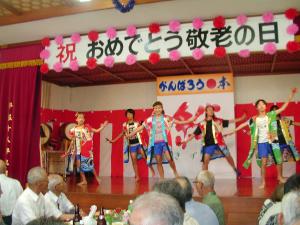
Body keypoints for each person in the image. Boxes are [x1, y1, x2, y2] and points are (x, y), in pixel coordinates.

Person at [226, 88, 297, 188]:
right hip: (261, 143)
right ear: (257, 108)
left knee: (278, 159)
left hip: (272, 141)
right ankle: (263, 182)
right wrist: (231, 131)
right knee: (263, 162)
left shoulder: (271, 115)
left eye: (263, 104)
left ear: (265, 106)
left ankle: (280, 177)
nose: (261, 105)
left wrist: (291, 96)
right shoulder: (254, 119)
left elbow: (283, 108)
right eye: (259, 104)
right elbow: (242, 125)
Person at [128, 101, 198, 179]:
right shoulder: (149, 120)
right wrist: (131, 134)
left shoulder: (166, 118)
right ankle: (162, 179)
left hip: (164, 142)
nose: (157, 109)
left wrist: (191, 120)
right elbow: (140, 128)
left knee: (170, 159)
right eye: (156, 108)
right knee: (159, 161)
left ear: (162, 109)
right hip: (155, 143)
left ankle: (175, 172)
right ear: (153, 109)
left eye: (159, 108)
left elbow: (180, 122)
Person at [182, 105, 245, 175]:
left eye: (212, 110)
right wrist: (185, 141)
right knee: (205, 161)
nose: (211, 111)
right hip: (209, 145)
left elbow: (230, 121)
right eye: (209, 110)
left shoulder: (218, 121)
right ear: (206, 112)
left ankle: (234, 168)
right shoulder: (202, 123)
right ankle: (205, 176)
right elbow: (194, 134)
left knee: (228, 156)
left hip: (220, 143)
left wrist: (241, 119)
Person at [106, 109, 155, 182]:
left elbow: (144, 126)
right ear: (126, 115)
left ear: (133, 115)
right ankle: (137, 176)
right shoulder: (125, 125)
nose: (129, 115)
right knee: (134, 161)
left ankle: (151, 169)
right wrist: (113, 140)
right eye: (128, 114)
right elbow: (122, 134)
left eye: (130, 114)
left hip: (139, 143)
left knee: (145, 156)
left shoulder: (137, 123)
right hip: (132, 145)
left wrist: (152, 116)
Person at [68, 112, 108, 186]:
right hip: (78, 150)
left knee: (89, 164)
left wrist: (104, 126)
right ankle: (84, 180)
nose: (81, 119)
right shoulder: (73, 129)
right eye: (80, 117)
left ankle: (97, 178)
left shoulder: (87, 127)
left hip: (86, 150)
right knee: (79, 165)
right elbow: (72, 140)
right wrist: (70, 150)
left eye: (83, 118)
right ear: (76, 119)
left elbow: (96, 130)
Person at [0, 160, 23, 225]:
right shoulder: (16, 183)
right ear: (5, 170)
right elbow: (22, 201)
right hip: (15, 220)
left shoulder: (16, 183)